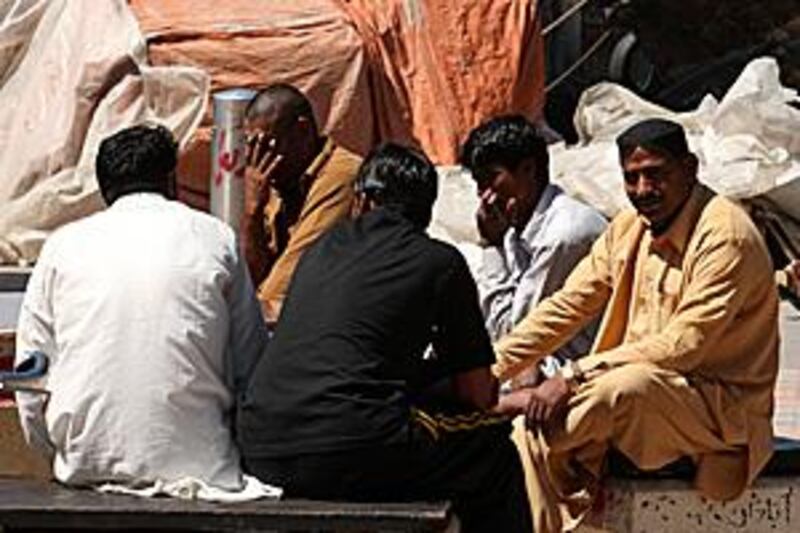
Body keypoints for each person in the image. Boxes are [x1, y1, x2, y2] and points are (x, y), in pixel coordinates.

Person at [492, 118, 779, 532]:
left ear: (690, 168)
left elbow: (683, 346)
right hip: (643, 390)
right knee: (529, 429)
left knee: (621, 389)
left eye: (656, 175)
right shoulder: (629, 227)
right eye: (632, 178)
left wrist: (572, 376)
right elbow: (568, 305)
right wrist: (491, 367)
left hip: (720, 408)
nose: (644, 190)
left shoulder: (725, 236)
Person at [237, 143, 532, 532]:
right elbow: (479, 396)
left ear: (361, 200)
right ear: (425, 210)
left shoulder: (320, 251)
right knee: (495, 455)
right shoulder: (439, 262)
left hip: (260, 446)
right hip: (352, 446)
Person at [15, 124, 268, 491]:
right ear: (171, 181)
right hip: (205, 469)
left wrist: (58, 455)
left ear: (105, 190)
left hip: (85, 468)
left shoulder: (62, 247)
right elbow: (251, 364)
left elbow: (30, 377)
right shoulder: (217, 239)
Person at [460, 115, 606, 366]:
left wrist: (491, 246)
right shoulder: (518, 226)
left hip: (576, 367)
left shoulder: (563, 235)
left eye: (492, 179)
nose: (485, 196)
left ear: (528, 169)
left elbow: (513, 335)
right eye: (479, 184)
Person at [241, 83, 361, 323]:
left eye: (268, 145)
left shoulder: (341, 176)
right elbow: (251, 276)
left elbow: (279, 291)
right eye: (252, 146)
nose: (257, 158)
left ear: (302, 131)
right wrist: (252, 213)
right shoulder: (279, 174)